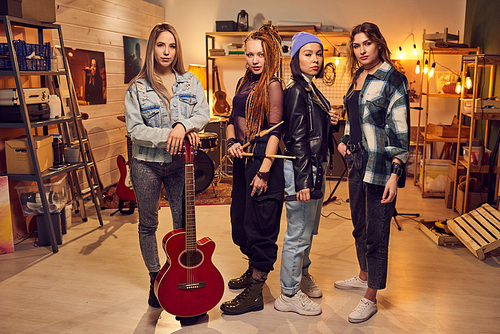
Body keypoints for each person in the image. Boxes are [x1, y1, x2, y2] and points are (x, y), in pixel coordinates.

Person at [124, 23, 210, 326]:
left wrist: (183, 127)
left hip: (180, 165)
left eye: (172, 46)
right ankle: (155, 278)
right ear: (152, 48)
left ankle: (183, 279)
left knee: (184, 227)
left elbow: (203, 113)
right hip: (146, 163)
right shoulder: (137, 87)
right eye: (161, 45)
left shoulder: (190, 82)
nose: (166, 52)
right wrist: (169, 134)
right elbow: (135, 130)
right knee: (148, 224)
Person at [336, 22, 410, 324]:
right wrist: (343, 141)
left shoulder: (393, 78)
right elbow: (354, 120)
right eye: (356, 45)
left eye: (367, 43)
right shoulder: (358, 76)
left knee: (377, 234)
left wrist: (395, 173)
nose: (361, 50)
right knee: (359, 226)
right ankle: (363, 274)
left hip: (381, 168)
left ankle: (371, 295)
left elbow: (400, 130)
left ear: (379, 44)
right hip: (356, 164)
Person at [220, 25, 285, 315]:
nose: (255, 60)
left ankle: (256, 292)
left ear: (269, 55)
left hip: (262, 159)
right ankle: (252, 269)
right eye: (250, 54)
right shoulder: (243, 82)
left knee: (260, 224)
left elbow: (276, 130)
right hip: (243, 158)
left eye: (260, 54)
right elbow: (232, 118)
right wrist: (232, 141)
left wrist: (265, 169)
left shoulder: (272, 84)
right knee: (241, 222)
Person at [274, 32, 340, 316]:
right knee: (298, 234)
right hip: (303, 170)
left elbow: (315, 130)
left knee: (308, 232)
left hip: (315, 167)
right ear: (296, 58)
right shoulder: (297, 90)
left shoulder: (311, 88)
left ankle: (301, 276)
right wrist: (303, 182)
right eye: (308, 54)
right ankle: (288, 294)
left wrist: (331, 120)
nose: (315, 59)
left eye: (318, 54)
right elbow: (298, 139)